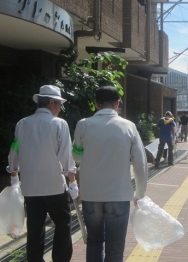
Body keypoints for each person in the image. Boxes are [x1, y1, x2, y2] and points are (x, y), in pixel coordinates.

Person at [72, 86, 148, 262]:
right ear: (117, 104)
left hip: (91, 194)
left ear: (97, 104)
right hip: (118, 194)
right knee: (115, 247)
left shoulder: (83, 124)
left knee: (94, 242)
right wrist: (140, 193)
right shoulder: (129, 126)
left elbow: (76, 155)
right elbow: (140, 163)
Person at [7, 85, 78, 262]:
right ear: (52, 102)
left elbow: (14, 150)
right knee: (63, 224)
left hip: (31, 188)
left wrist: (14, 175)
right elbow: (66, 157)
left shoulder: (22, 124)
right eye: (59, 104)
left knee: (35, 228)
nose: (60, 108)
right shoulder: (59, 124)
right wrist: (73, 182)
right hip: (54, 186)